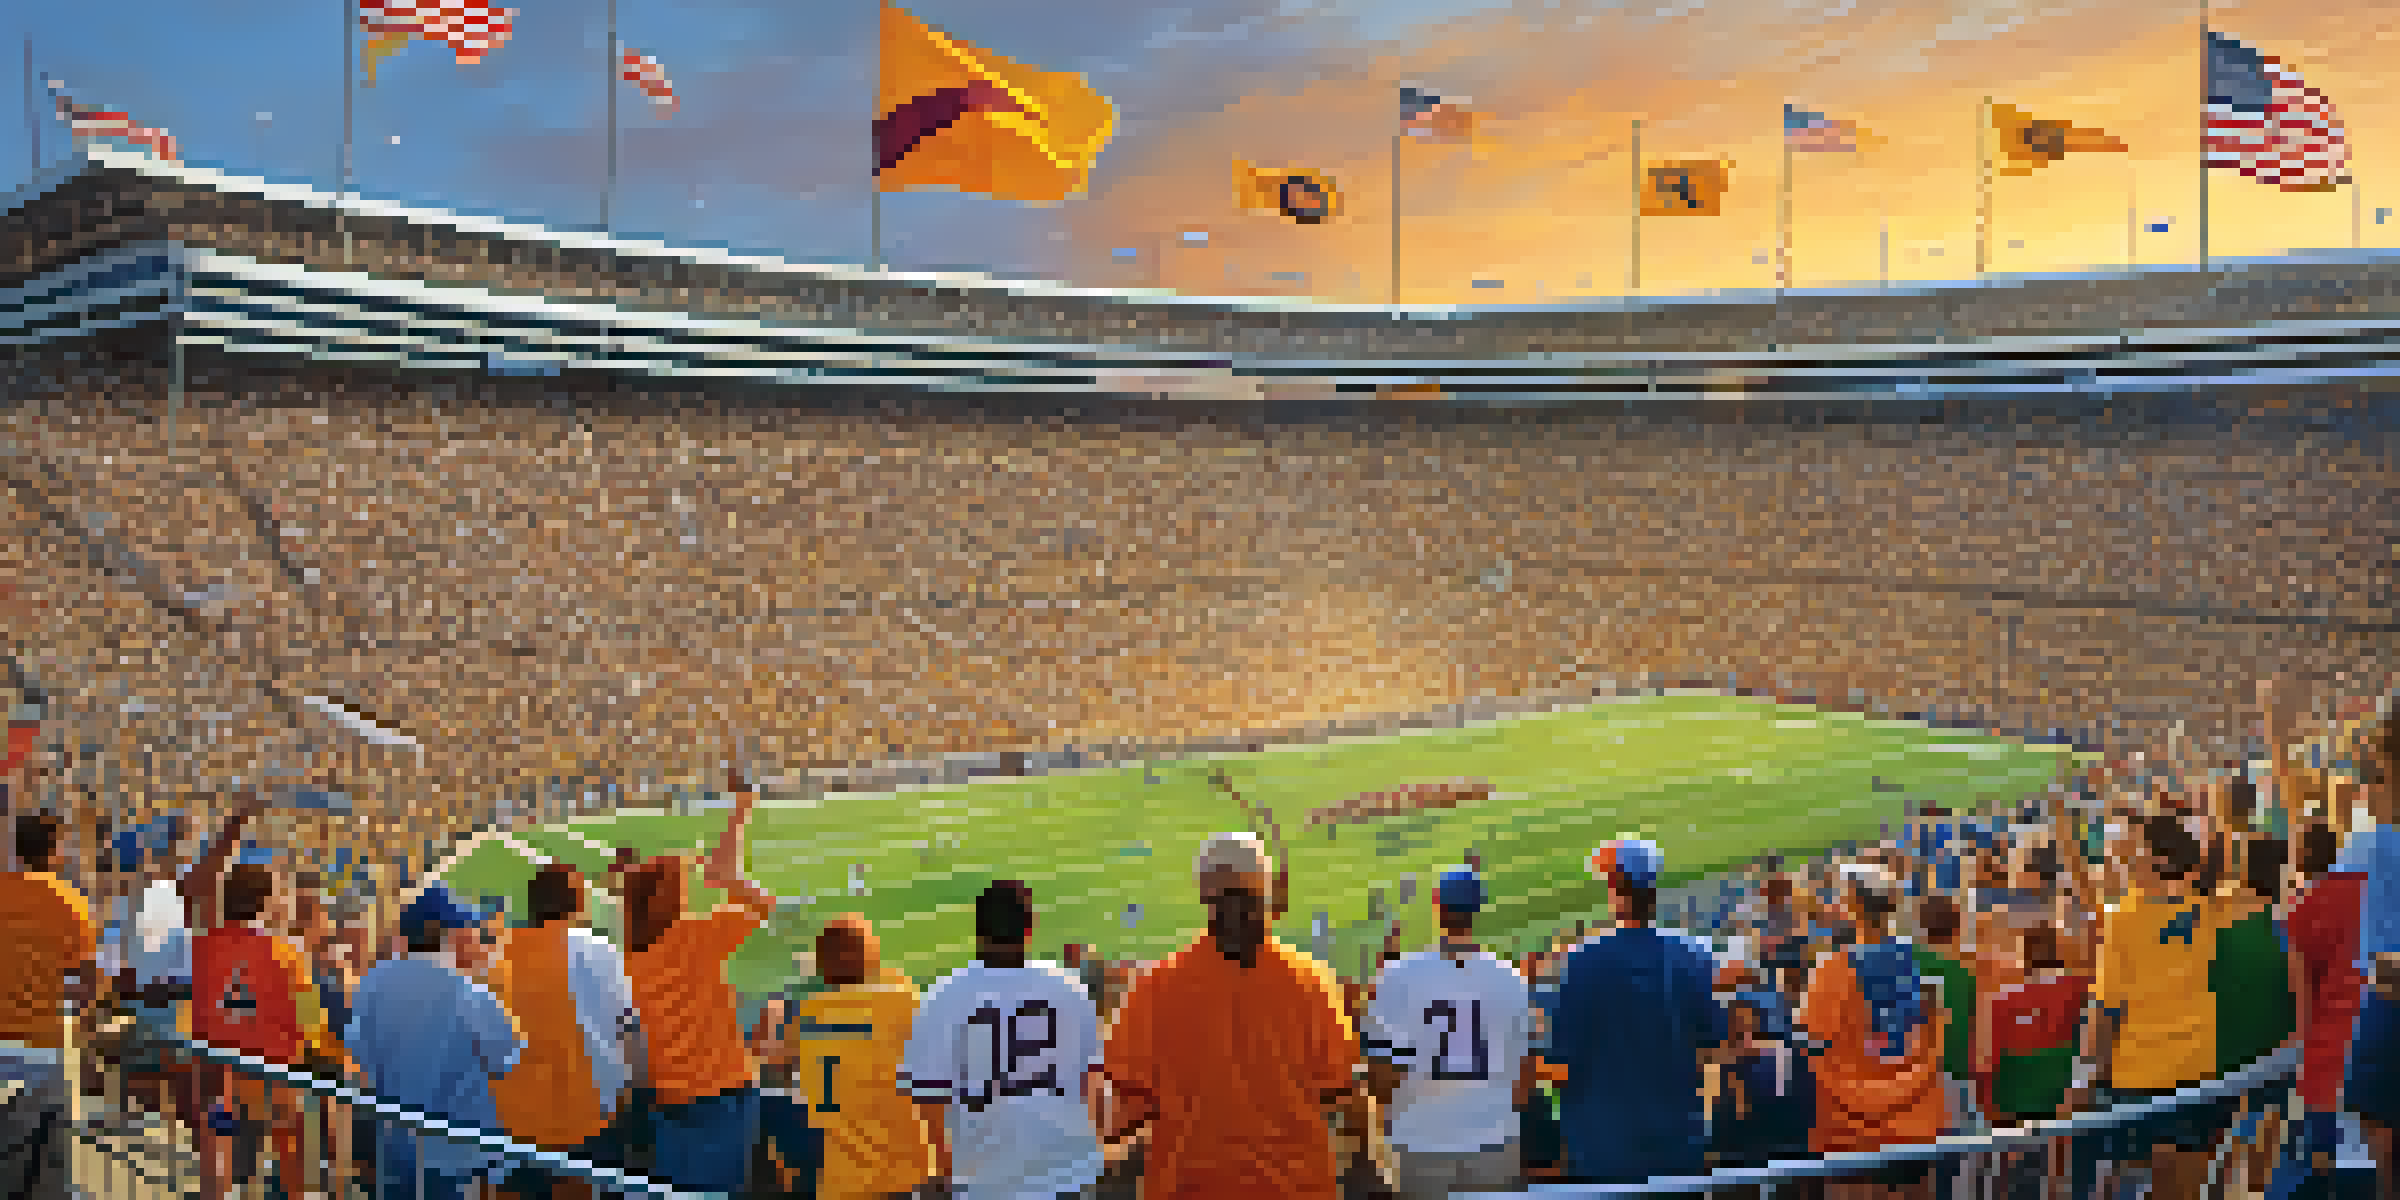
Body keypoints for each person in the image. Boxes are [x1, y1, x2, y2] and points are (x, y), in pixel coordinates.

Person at [1102, 832, 1361, 1199]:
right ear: (1265, 892)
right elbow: (1340, 1091)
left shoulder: (1153, 991)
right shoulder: (1313, 984)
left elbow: (1118, 1113)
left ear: (1204, 896)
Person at [622, 758, 776, 1196]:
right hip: (721, 1092)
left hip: (668, 1097)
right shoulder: (693, 937)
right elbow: (760, 902)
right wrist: (741, 811)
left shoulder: (635, 953)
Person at [1537, 839, 1725, 1185]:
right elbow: (1714, 1049)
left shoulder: (1583, 960)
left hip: (1604, 1151)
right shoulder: (1695, 953)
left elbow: (1562, 1065)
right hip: (1679, 1144)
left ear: (1615, 891)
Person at [903, 880, 1105, 1199]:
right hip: (1067, 1174)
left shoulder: (942, 996)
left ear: (978, 929)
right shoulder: (1069, 987)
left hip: (986, 1181)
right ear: (1030, 927)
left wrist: (946, 1174)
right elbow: (1093, 1083)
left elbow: (928, 1100)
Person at [2074, 814, 2236, 1200]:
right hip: (2200, 1071)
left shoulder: (2123, 920)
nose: (2119, 855)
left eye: (2129, 848)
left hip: (2139, 1077)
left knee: (2137, 1183)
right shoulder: (2208, 908)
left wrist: (2086, 1078)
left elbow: (2105, 1006)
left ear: (2157, 858)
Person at [346, 883, 526, 1200]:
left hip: (395, 1147)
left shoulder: (372, 983)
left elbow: (360, 1060)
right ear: (445, 933)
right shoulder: (468, 991)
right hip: (457, 1155)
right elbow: (510, 1059)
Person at [1363, 865, 1533, 1199]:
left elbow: (1382, 1080)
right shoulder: (1510, 979)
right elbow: (1524, 1083)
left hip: (1421, 1146)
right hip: (1493, 1145)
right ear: (1477, 910)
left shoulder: (1398, 977)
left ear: (1437, 904)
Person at [189, 823, 336, 1200]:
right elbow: (310, 1024)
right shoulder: (290, 956)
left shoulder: (202, 948)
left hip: (217, 1078)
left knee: (218, 1170)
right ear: (267, 901)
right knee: (292, 1161)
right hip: (275, 1085)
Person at [487, 863, 640, 1200]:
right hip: (591, 1112)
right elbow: (629, 1027)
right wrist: (634, 1092)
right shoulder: (598, 950)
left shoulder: (498, 956)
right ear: (577, 904)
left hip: (519, 1117)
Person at [1800, 862, 1946, 1200]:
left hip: (1854, 1128)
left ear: (1852, 905)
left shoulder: (1832, 970)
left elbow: (1810, 1042)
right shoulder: (1924, 960)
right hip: (1916, 1121)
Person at [753, 912, 918, 1198]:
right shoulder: (902, 1001)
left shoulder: (808, 1014)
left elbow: (773, 1063)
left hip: (842, 1181)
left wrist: (773, 1014)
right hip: (902, 1176)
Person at [0, 812, 98, 1200]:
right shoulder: (68, 901)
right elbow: (87, 980)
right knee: (44, 1162)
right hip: (44, 1045)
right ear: (55, 850)